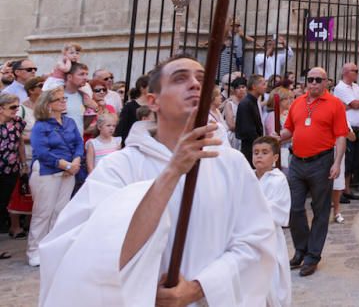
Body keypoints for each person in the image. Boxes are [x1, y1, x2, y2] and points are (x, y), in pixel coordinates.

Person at [39, 56, 277, 305]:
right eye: (180, 78)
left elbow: (256, 241)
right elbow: (85, 253)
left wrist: (199, 288)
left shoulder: (232, 163)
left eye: (201, 79)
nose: (195, 84)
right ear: (153, 101)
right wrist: (173, 171)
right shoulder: (119, 168)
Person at [279, 66, 348, 277]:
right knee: (294, 207)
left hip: (321, 162)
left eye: (319, 80)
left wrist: (337, 163)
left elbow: (341, 136)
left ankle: (312, 255)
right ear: (306, 81)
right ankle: (302, 248)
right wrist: (277, 136)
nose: (314, 83)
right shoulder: (298, 102)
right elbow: (290, 129)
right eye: (311, 79)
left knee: (320, 210)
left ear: (326, 82)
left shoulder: (335, 104)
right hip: (297, 161)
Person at [27, 86, 83, 267]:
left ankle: (52, 247)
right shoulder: (40, 126)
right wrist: (66, 165)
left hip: (68, 172)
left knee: (60, 211)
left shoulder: (70, 123)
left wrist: (74, 162)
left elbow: (78, 144)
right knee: (43, 212)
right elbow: (42, 152)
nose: (63, 102)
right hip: (47, 172)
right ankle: (34, 250)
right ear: (48, 105)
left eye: (64, 99)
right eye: (59, 99)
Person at [252, 136, 292, 307]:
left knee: (273, 280)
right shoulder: (247, 177)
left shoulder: (278, 180)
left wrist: (253, 204)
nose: (259, 156)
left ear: (275, 158)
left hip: (270, 237)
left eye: (264, 152)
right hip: (249, 238)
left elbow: (280, 211)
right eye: (255, 153)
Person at [333, 62, 359, 200]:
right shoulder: (340, 88)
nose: (357, 73)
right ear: (346, 72)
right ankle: (339, 191)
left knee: (354, 161)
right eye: (356, 70)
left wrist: (354, 104)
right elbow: (355, 104)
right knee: (345, 160)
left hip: (358, 128)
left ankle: (347, 189)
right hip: (346, 128)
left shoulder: (356, 87)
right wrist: (355, 104)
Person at [0, 93, 27, 242]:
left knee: (3, 205)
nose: (16, 110)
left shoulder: (18, 122)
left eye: (17, 106)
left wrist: (23, 164)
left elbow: (20, 143)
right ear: (1, 109)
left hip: (11, 170)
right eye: (12, 107)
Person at [236, 75, 266, 166]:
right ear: (254, 86)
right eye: (263, 84)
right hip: (249, 147)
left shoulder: (253, 102)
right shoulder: (246, 103)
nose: (265, 87)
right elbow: (247, 129)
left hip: (254, 145)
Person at [114, 76, 149, 147]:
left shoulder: (155, 106)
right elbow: (121, 128)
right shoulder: (129, 106)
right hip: (131, 144)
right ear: (142, 88)